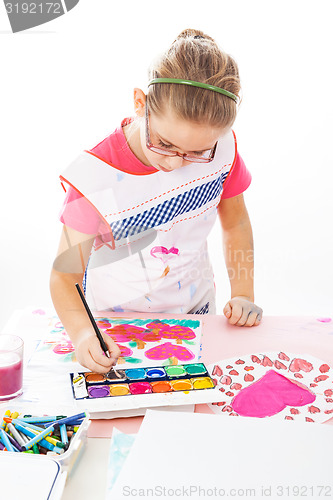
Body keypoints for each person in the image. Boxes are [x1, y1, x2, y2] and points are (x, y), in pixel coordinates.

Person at [50, 28, 263, 373]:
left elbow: (236, 223)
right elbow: (65, 276)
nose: (175, 162)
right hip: (113, 329)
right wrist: (83, 335)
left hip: (196, 316)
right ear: (140, 103)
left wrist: (243, 293)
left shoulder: (224, 149)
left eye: (197, 152)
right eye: (164, 143)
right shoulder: (94, 178)